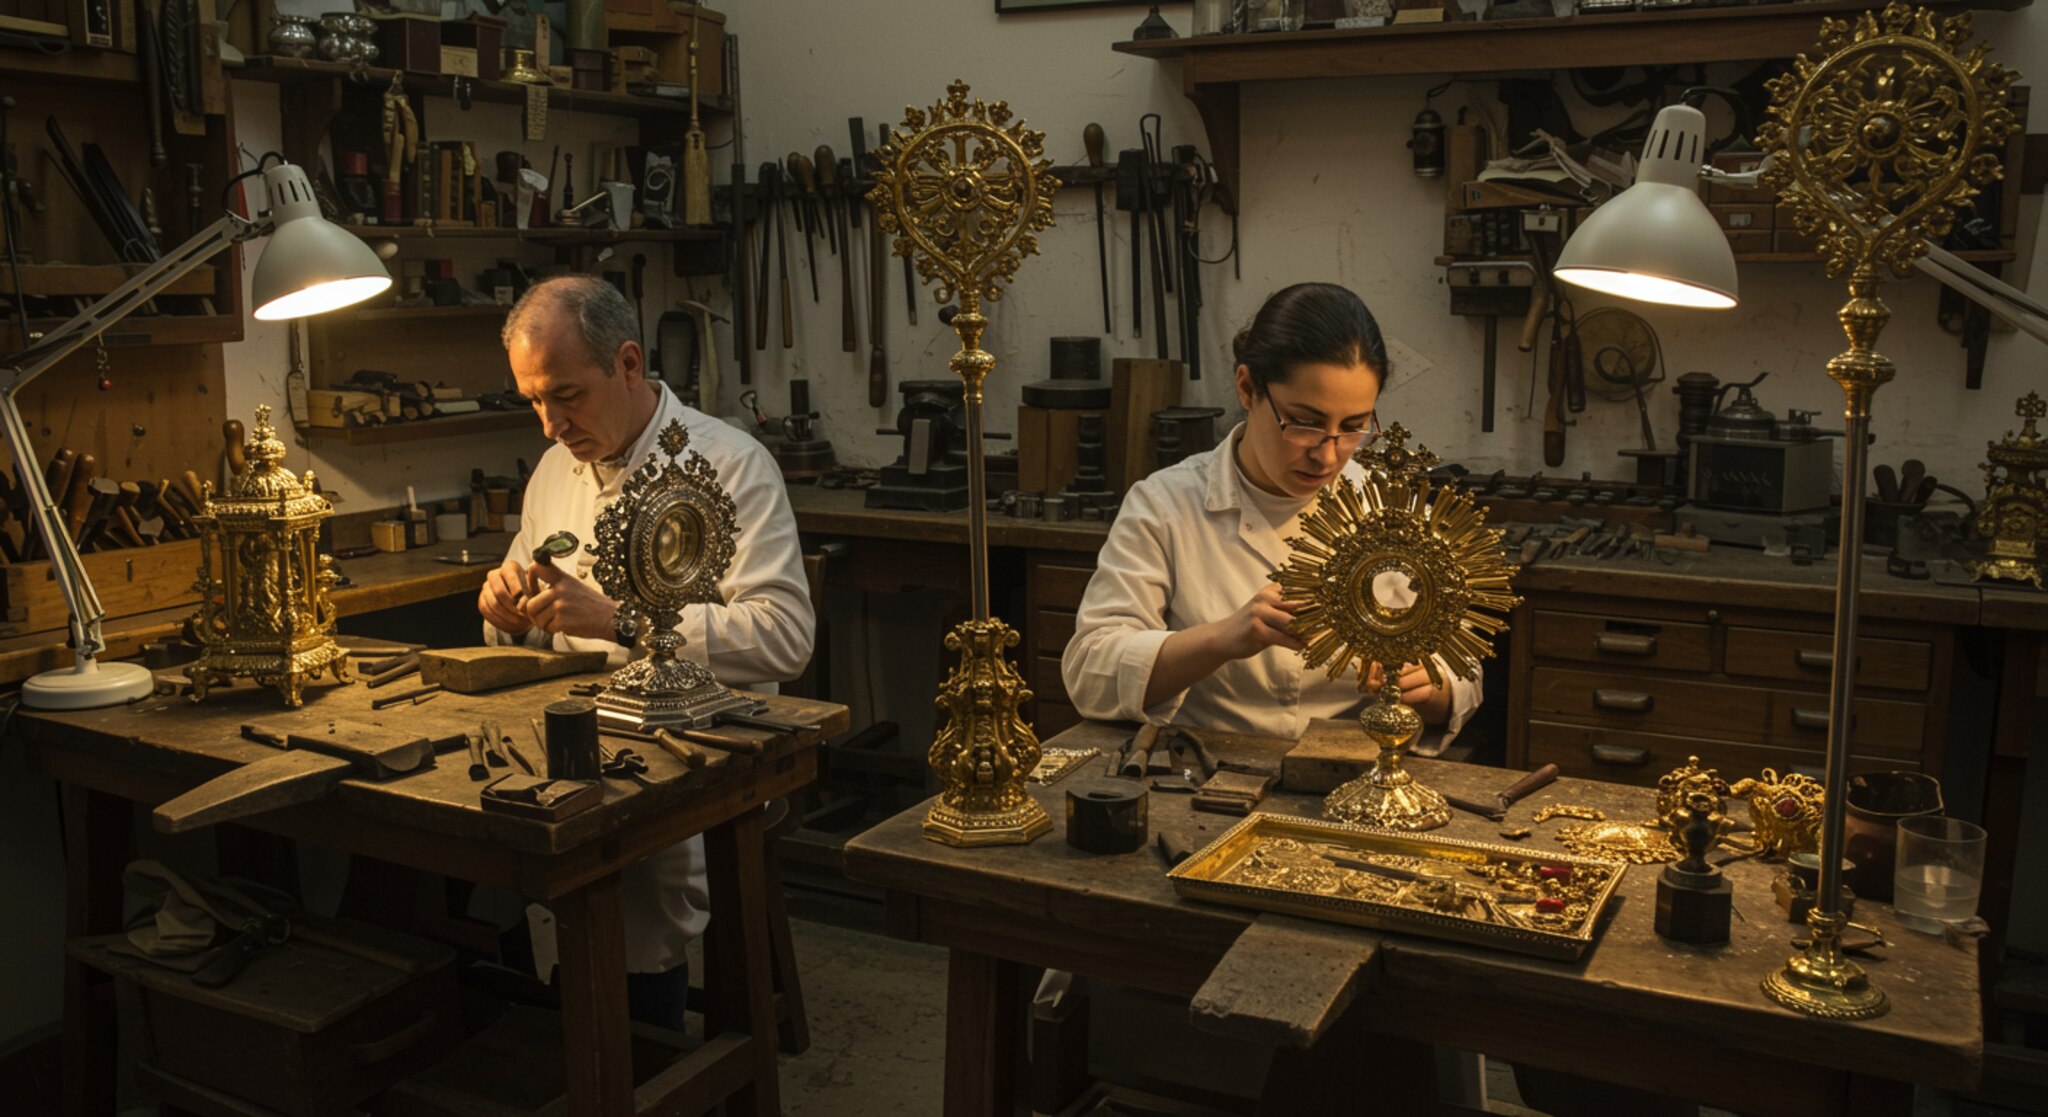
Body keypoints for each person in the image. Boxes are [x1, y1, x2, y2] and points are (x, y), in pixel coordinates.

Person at [477, 275, 814, 1030]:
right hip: (566, 727)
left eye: (566, 395)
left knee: (632, 868)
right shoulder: (553, 469)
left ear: (628, 363)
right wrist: (506, 610)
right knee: (473, 835)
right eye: (533, 400)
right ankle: (534, 1046)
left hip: (700, 745)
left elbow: (787, 635)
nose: (549, 424)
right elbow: (535, 618)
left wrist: (623, 619)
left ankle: (638, 1056)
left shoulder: (730, 463)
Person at [1061, 281, 1480, 750]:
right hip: (1204, 773)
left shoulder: (1392, 510)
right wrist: (1222, 638)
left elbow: (1463, 670)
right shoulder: (1165, 505)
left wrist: (1433, 687)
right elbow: (1090, 674)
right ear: (1247, 388)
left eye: (1354, 428)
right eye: (1305, 422)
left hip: (1359, 777)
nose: (1327, 455)